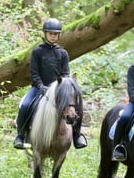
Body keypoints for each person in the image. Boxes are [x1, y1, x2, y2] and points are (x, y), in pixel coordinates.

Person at [13, 18, 87, 150]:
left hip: (59, 90)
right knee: (25, 105)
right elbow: (34, 73)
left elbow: (65, 74)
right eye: (50, 33)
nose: (53, 36)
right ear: (45, 34)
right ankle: (20, 135)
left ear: (58, 35)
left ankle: (77, 136)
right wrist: (41, 87)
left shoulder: (63, 53)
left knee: (78, 104)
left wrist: (61, 88)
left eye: (55, 34)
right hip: (39, 88)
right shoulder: (38, 51)